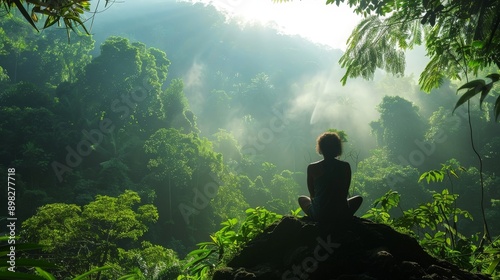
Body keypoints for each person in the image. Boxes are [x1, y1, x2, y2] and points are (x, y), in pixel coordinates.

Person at [298, 132, 362, 224]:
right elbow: (344, 193)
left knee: (302, 199)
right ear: (337, 148)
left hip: (319, 215)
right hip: (340, 214)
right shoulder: (345, 166)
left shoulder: (312, 168)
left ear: (321, 148)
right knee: (358, 199)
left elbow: (312, 195)